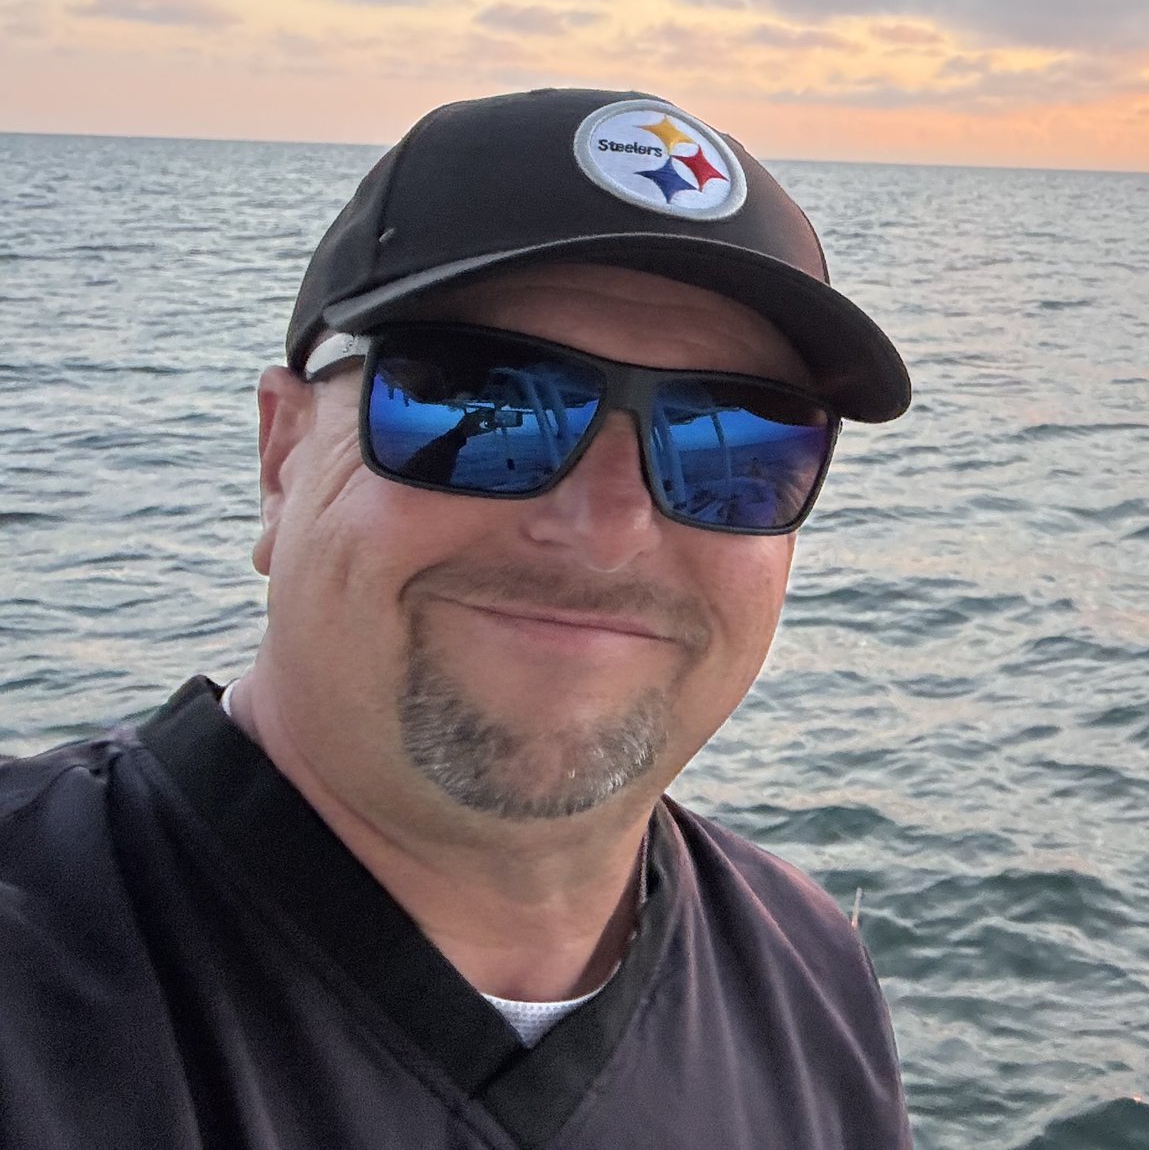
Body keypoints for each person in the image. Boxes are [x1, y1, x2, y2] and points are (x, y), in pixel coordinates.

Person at [0, 88, 916, 1149]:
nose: (608, 527)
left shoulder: (809, 982)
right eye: (477, 404)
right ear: (282, 457)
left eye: (734, 445)